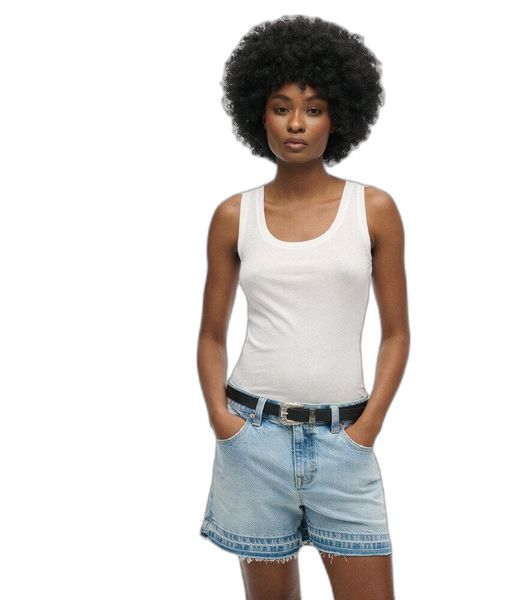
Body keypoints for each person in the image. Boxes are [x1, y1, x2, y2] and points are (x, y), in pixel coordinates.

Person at [197, 15, 410, 600]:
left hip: (345, 442)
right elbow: (211, 335)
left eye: (313, 109)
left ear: (338, 117)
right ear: (258, 114)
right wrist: (222, 422)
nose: (296, 123)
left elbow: (397, 333)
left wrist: (368, 428)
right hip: (252, 439)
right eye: (281, 107)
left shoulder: (374, 210)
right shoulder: (233, 216)